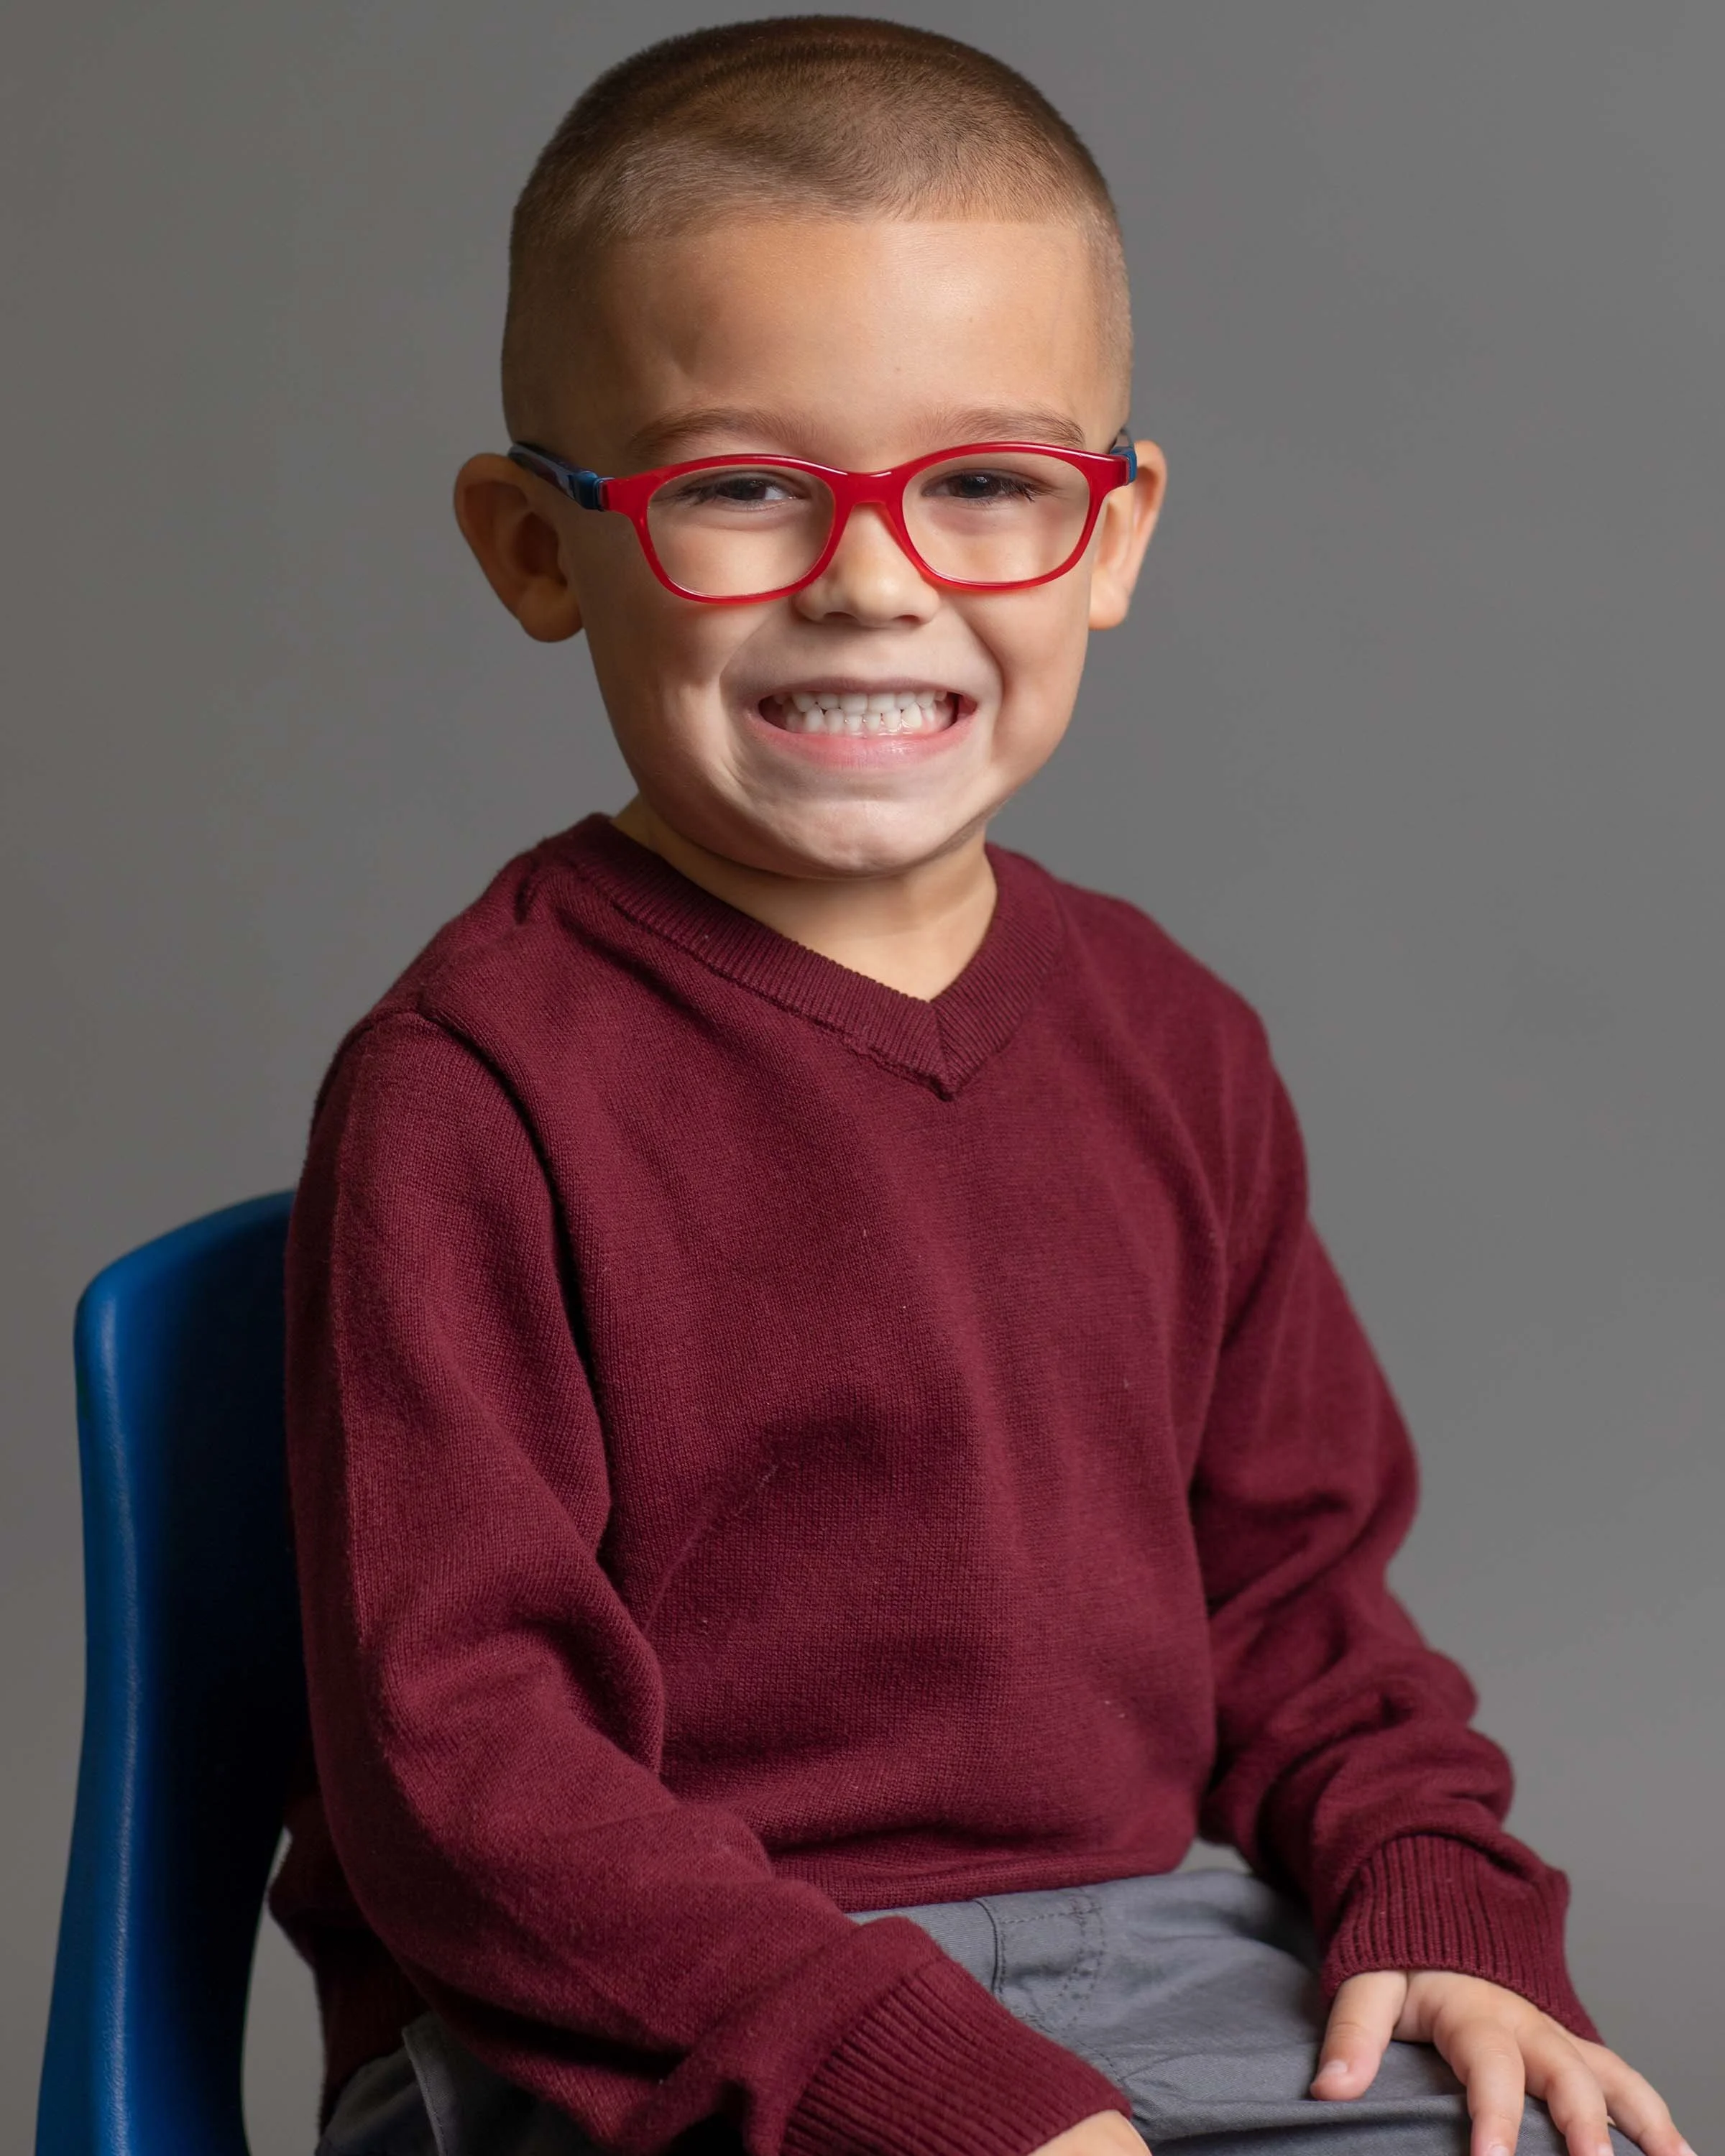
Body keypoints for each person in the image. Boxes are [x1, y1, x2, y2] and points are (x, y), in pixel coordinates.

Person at [269, 19, 1689, 2156]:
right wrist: (905, 2083)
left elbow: (1298, 1598)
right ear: (542, 549)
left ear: (1111, 538)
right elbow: (470, 1779)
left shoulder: (1171, 1037)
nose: (873, 577)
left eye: (988, 484)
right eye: (741, 485)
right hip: (634, 2027)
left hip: (1173, 1965)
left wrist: (1440, 1892)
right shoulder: (472, 1087)